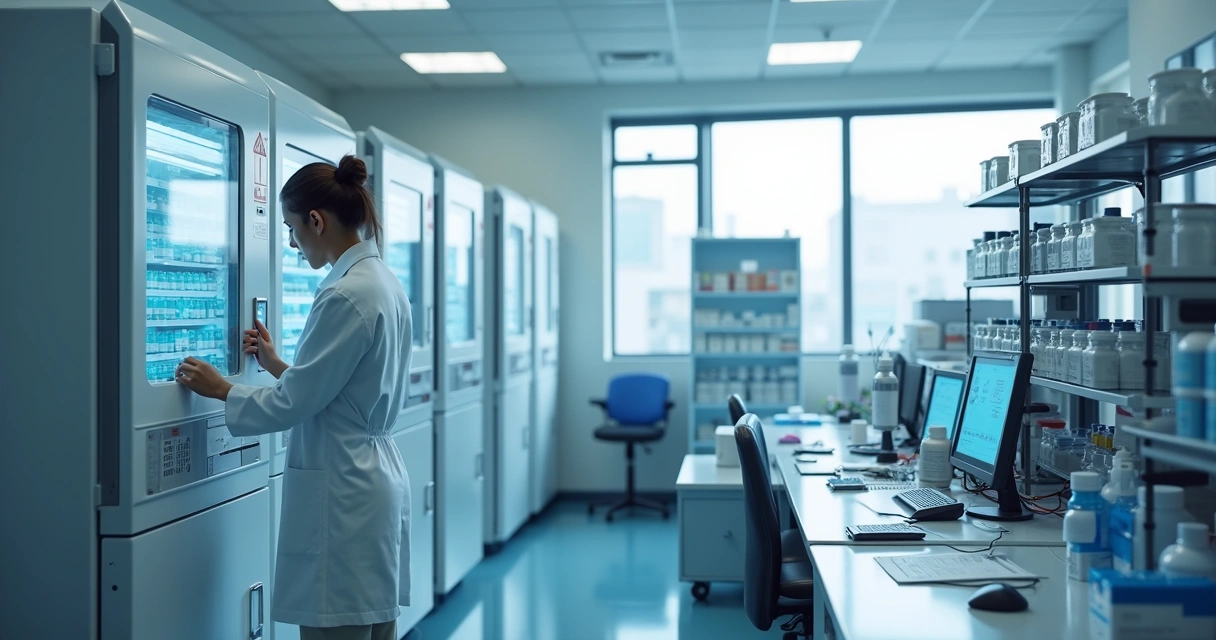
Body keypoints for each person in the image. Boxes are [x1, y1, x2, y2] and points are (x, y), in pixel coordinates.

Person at [175, 155, 411, 640]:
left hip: (343, 492)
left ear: (316, 221)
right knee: (373, 626)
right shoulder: (383, 283)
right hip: (372, 480)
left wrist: (222, 388)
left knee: (337, 628)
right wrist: (278, 365)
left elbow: (293, 405)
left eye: (291, 228)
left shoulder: (345, 295)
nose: (292, 242)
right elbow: (340, 390)